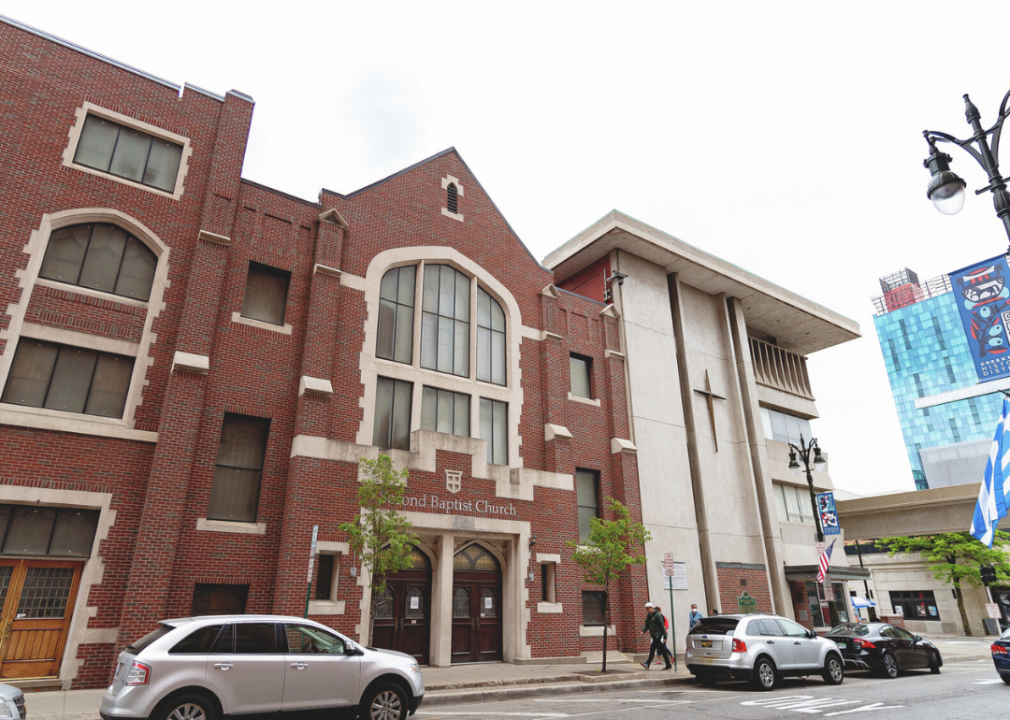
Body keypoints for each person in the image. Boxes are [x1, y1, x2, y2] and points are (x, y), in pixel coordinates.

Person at [640, 603, 673, 670]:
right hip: (653, 635)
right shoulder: (648, 616)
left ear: (651, 608)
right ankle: (668, 665)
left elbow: (662, 626)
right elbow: (647, 625)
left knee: (652, 649)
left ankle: (648, 663)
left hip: (657, 635)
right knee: (662, 650)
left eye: (648, 608)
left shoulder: (657, 615)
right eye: (646, 608)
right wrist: (643, 631)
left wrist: (665, 637)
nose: (647, 610)